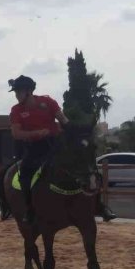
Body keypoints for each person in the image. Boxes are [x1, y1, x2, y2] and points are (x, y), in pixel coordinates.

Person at [8, 75, 115, 223]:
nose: (16, 95)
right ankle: (30, 209)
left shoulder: (48, 102)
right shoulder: (16, 110)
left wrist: (77, 132)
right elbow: (16, 133)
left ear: (29, 91)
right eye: (16, 92)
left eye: (18, 92)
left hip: (55, 144)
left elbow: (64, 120)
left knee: (86, 167)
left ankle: (100, 206)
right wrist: (37, 133)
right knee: (25, 173)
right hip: (34, 148)